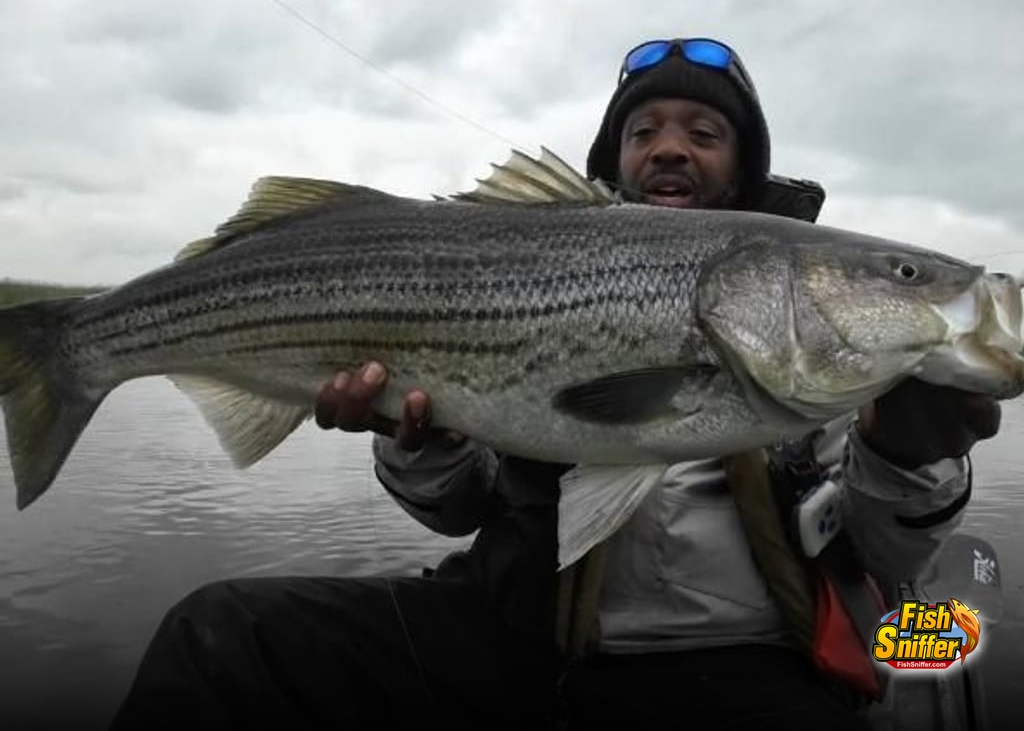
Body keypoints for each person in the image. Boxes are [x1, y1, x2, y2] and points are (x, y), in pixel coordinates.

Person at [109, 38, 1001, 731]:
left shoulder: (839, 362)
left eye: (705, 132)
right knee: (225, 639)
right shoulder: (537, 259)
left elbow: (889, 560)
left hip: (747, 664)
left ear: (745, 172)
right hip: (518, 643)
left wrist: (913, 455)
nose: (671, 150)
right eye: (644, 131)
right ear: (615, 157)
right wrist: (423, 441)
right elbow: (459, 508)